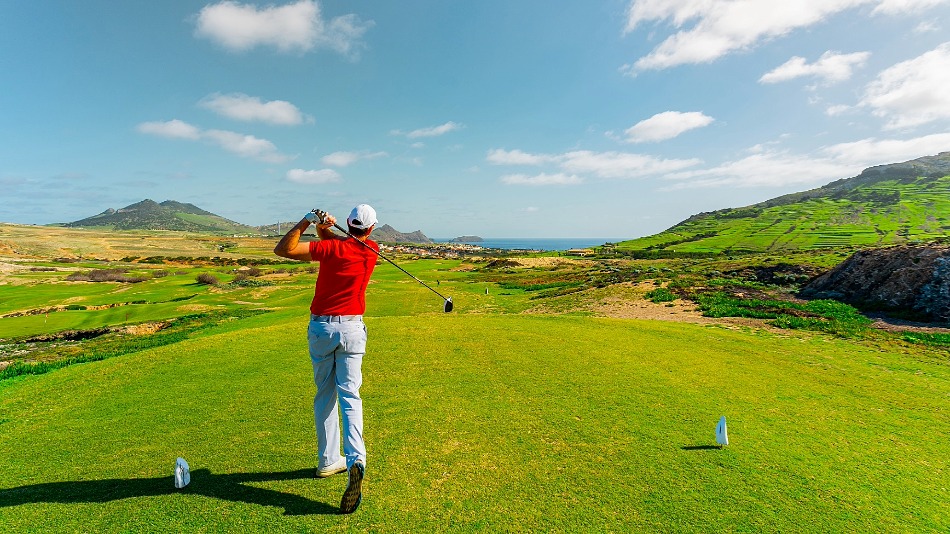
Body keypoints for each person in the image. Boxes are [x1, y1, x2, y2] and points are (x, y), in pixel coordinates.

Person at [273, 204, 379, 515]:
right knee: (351, 396)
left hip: (322, 328)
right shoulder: (371, 249)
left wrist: (309, 221)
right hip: (353, 328)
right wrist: (325, 228)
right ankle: (356, 459)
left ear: (349, 222)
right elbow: (341, 244)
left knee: (325, 395)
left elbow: (284, 249)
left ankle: (328, 460)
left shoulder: (331, 249)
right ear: (371, 229)